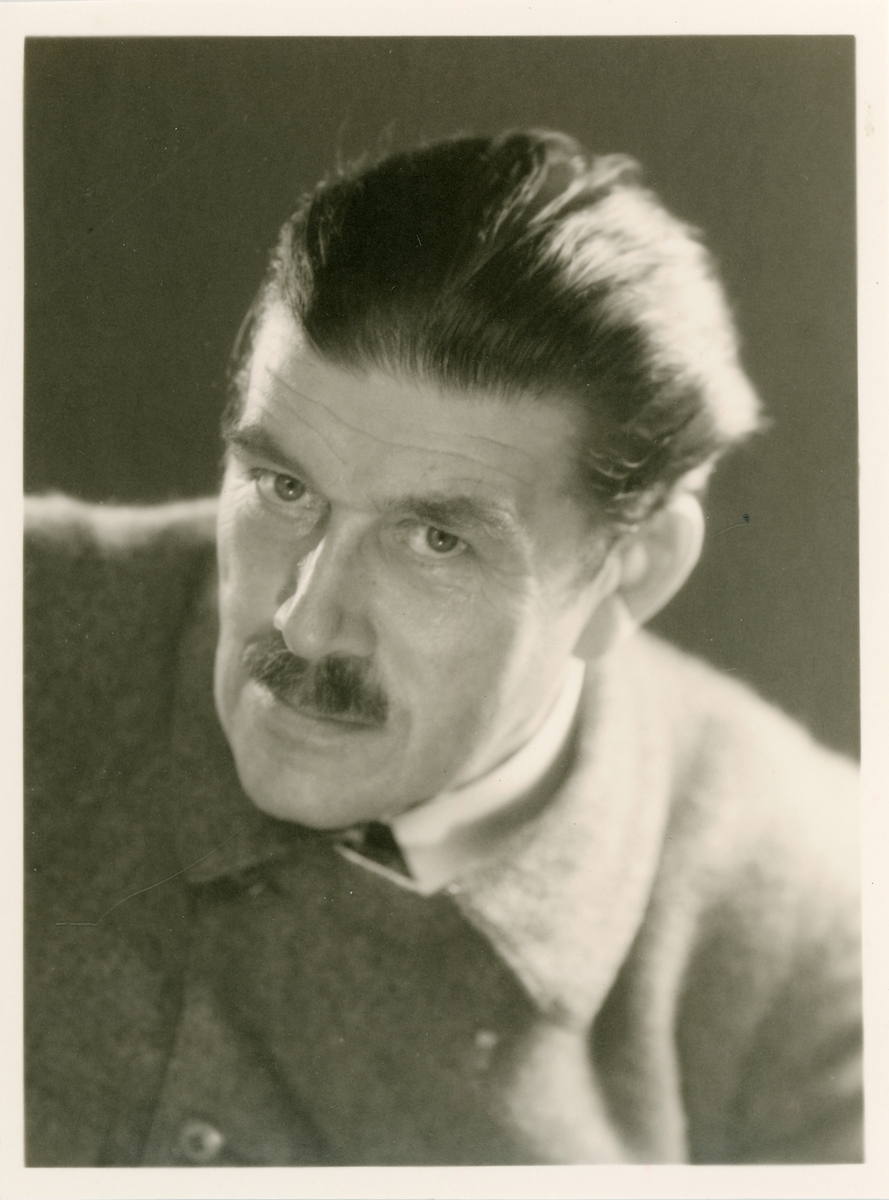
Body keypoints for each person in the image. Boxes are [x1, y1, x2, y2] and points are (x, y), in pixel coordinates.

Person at [24, 129, 861, 1166]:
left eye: (434, 541)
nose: (305, 623)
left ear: (630, 573)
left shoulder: (824, 944)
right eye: (283, 488)